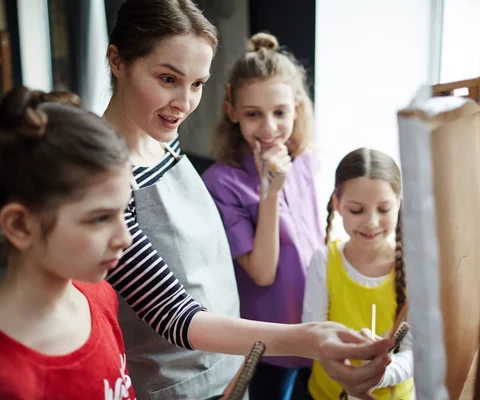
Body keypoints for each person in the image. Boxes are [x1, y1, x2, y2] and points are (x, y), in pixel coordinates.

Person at [103, 1, 392, 399]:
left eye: (197, 83)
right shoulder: (105, 181)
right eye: (168, 79)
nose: (185, 103)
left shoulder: (161, 142)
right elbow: (173, 315)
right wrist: (308, 339)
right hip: (180, 386)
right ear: (117, 60)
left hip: (229, 365)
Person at [0, 87, 136, 399]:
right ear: (20, 225)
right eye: (99, 218)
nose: (125, 239)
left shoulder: (98, 294)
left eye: (123, 211)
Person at [202, 32, 323, 399]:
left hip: (317, 321)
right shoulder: (221, 182)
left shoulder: (306, 160)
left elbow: (319, 239)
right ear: (232, 112)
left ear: (297, 109)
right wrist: (270, 193)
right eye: (254, 114)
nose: (269, 128)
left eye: (280, 113)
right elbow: (262, 271)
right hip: (269, 339)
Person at [303, 148, 415, 400]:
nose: (372, 222)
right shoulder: (324, 261)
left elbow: (414, 352)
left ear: (398, 204)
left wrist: (378, 373)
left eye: (384, 209)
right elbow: (311, 337)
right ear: (337, 205)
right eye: (356, 210)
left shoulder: (413, 270)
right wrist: (349, 367)